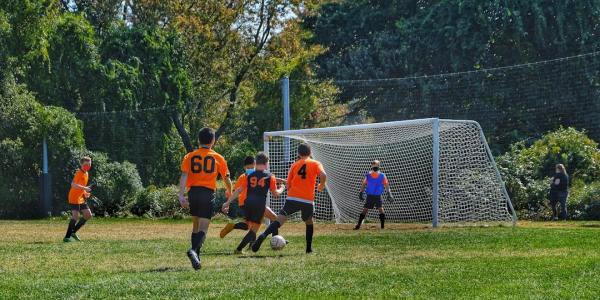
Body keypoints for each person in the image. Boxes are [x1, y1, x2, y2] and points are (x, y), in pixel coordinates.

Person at [251, 143, 327, 254]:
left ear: (298, 154)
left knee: (279, 220)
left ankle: (263, 235)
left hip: (292, 198)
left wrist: (286, 187)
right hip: (307, 200)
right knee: (309, 222)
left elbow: (288, 185)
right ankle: (308, 249)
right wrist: (321, 185)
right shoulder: (316, 163)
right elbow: (323, 175)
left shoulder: (294, 165)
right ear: (310, 153)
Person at [178, 127, 232, 270]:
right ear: (213, 141)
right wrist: (229, 191)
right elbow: (226, 178)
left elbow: (184, 175)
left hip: (193, 192)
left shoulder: (189, 156)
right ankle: (193, 251)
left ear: (198, 140)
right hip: (207, 193)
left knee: (195, 225)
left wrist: (181, 195)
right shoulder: (218, 158)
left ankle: (197, 257)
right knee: (204, 227)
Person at [221, 152, 285, 254]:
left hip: (248, 204)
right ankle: (240, 248)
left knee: (265, 222)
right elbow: (276, 194)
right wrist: (282, 188)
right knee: (258, 227)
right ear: (266, 163)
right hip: (259, 205)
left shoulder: (249, 176)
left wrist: (227, 202)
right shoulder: (270, 176)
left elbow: (238, 190)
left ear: (256, 163)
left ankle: (241, 249)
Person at [355, 160, 394, 230]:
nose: (375, 167)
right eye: (374, 165)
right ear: (371, 166)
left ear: (379, 166)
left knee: (381, 209)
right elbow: (364, 184)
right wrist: (361, 192)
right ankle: (358, 225)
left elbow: (386, 185)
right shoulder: (368, 175)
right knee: (365, 210)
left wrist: (389, 193)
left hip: (378, 196)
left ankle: (382, 226)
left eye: (376, 166)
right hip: (370, 195)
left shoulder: (382, 175)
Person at [63, 156, 93, 242]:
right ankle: (67, 237)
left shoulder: (86, 173)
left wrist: (85, 193)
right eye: (86, 164)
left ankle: (73, 232)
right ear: (81, 164)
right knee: (76, 216)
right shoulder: (79, 173)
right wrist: (85, 188)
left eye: (89, 164)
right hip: (74, 197)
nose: (88, 166)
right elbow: (73, 184)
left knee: (88, 215)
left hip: (81, 198)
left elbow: (80, 186)